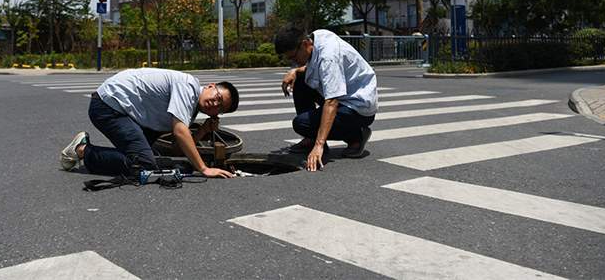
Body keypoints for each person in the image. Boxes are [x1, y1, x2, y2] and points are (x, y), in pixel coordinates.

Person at [60, 68, 240, 179]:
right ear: (210, 86)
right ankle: (82, 150)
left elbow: (177, 149)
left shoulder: (190, 110)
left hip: (123, 110)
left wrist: (204, 130)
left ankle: (118, 156)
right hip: (108, 106)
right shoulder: (189, 86)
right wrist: (204, 169)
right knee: (144, 163)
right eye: (217, 97)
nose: (215, 104)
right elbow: (179, 132)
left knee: (145, 158)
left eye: (220, 107)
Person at [274, 27, 378, 172]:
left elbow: (332, 101)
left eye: (293, 57)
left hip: (358, 107)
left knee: (301, 124)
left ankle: (357, 135)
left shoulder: (328, 58)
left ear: (304, 44)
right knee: (299, 80)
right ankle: (310, 139)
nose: (293, 62)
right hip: (345, 96)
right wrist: (295, 71)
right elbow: (315, 68)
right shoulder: (317, 36)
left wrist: (319, 145)